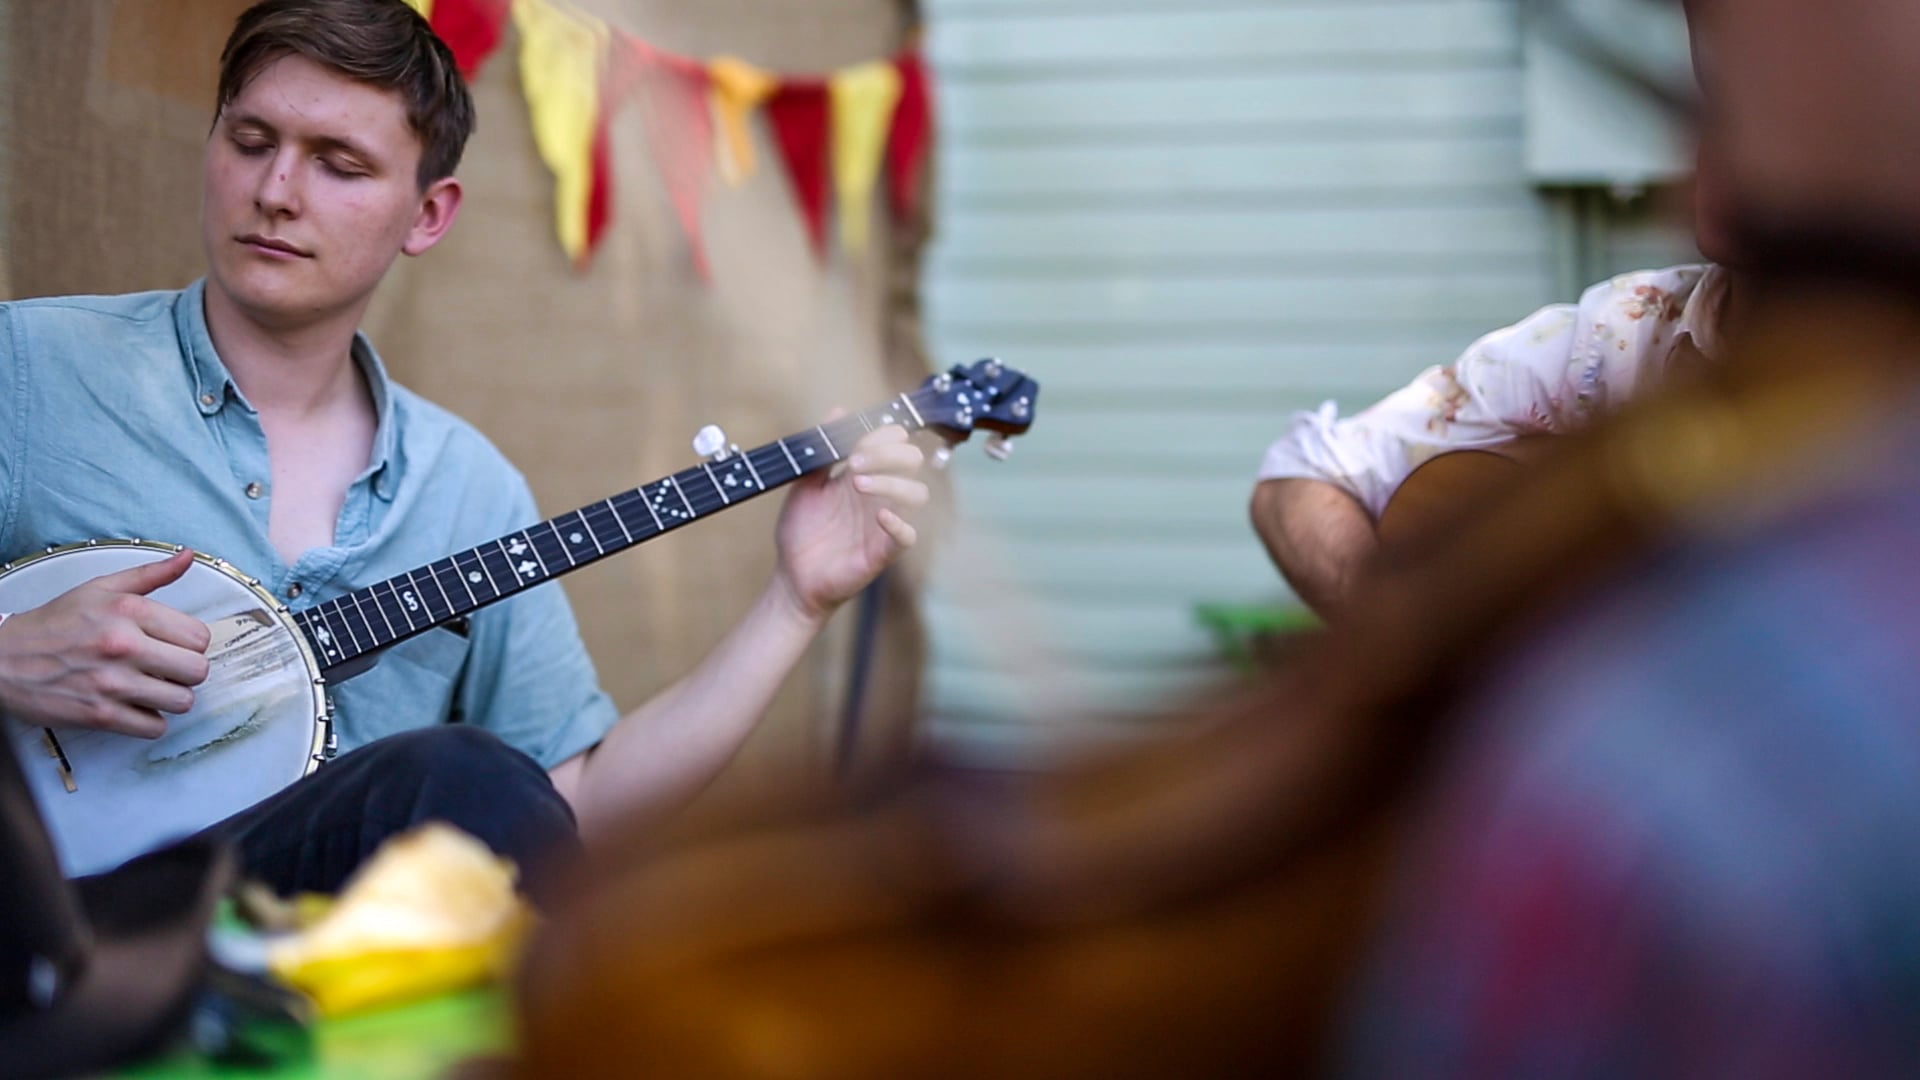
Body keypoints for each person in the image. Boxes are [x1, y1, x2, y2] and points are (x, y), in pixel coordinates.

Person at [0, 0, 927, 897]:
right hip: (38, 918)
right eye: (251, 142)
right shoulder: (32, 369)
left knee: (469, 786)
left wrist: (796, 602)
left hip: (309, 974)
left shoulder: (467, 489)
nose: (275, 192)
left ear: (428, 216)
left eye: (340, 165)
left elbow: (574, 809)